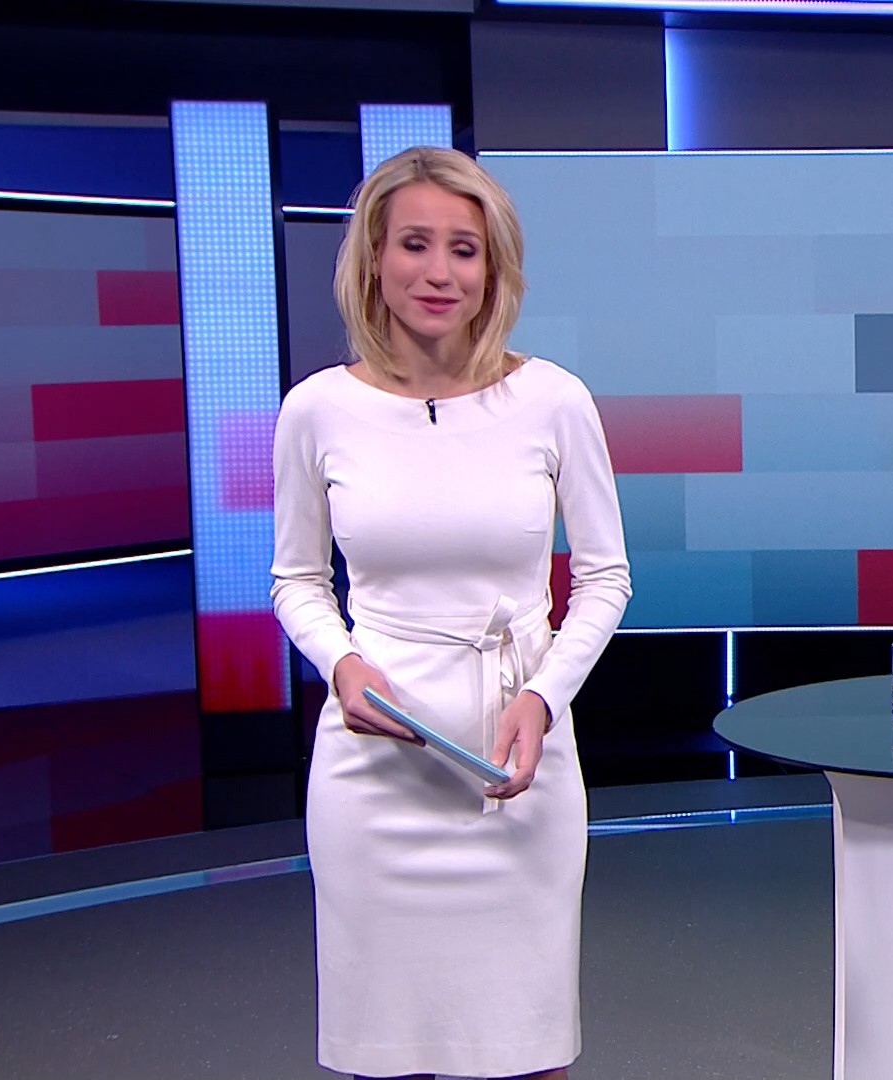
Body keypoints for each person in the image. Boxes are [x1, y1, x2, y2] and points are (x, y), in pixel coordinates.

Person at [270, 146, 632, 1080]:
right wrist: (342, 665)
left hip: (515, 758)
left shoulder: (552, 400)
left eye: (464, 250)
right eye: (415, 244)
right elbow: (297, 580)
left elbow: (605, 578)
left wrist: (543, 699)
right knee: (384, 1055)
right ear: (374, 258)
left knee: (527, 1051)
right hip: (374, 775)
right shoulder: (317, 410)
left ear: (493, 267)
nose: (439, 273)